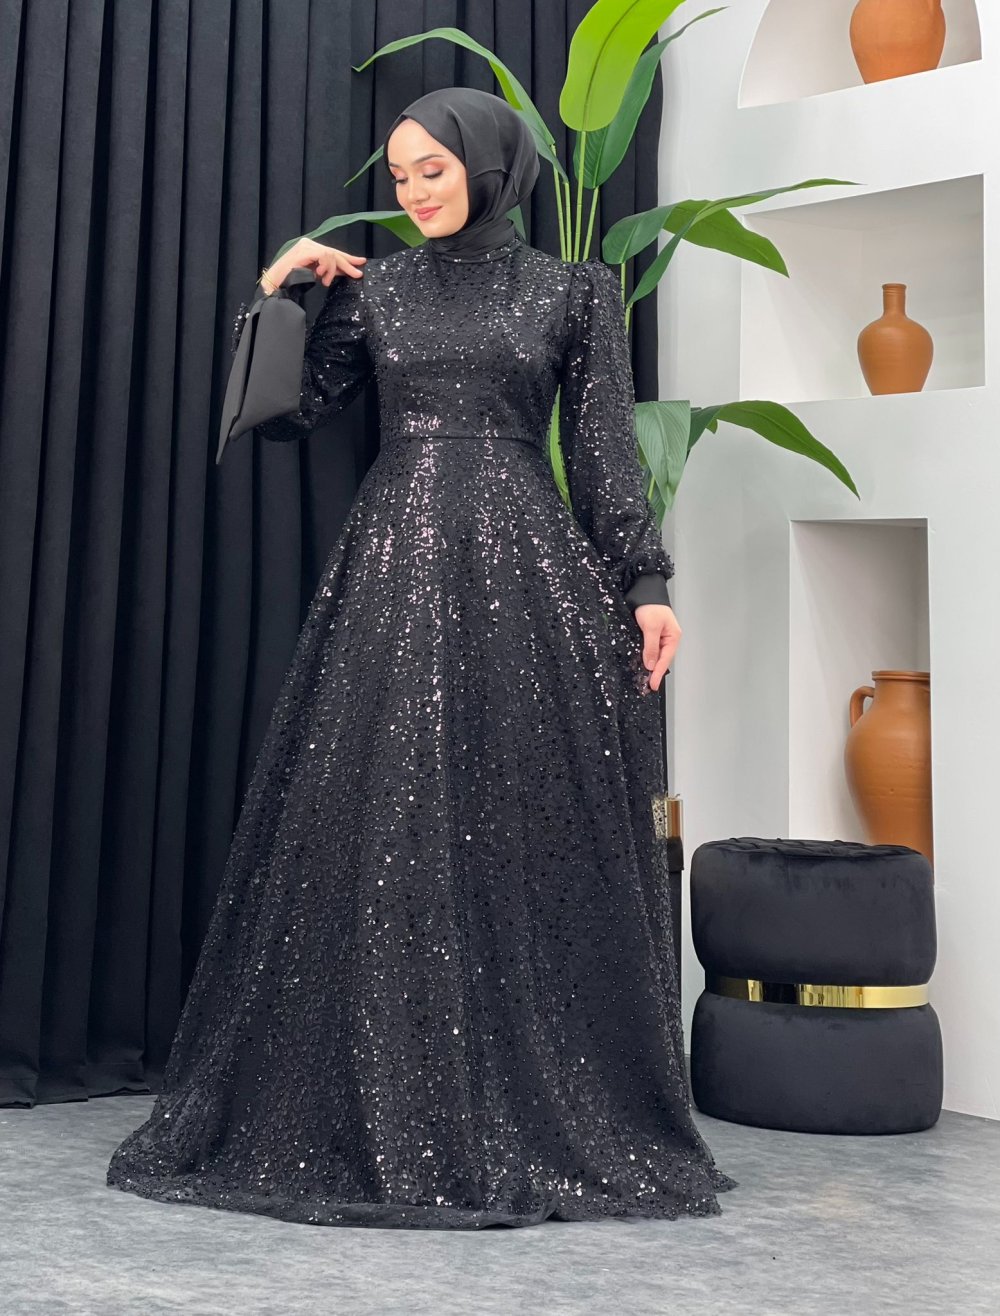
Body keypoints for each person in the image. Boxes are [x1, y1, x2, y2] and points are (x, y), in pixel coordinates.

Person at [106, 86, 738, 1229]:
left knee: (519, 821)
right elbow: (292, 417)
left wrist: (646, 585)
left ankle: (528, 1093)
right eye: (398, 177)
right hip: (393, 566)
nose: (412, 194)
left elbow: (604, 455)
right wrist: (280, 296)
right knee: (385, 821)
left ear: (488, 164)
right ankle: (388, 1085)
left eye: (431, 170)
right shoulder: (379, 290)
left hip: (528, 566)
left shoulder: (573, 291)